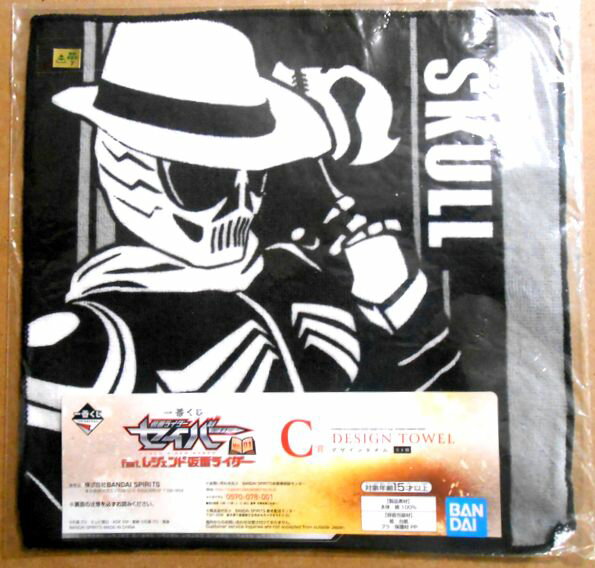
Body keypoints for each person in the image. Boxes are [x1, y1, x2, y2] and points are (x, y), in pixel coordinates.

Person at [21, 18, 462, 539]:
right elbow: (62, 506)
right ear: (123, 165)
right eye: (203, 177)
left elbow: (445, 458)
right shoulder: (90, 341)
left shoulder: (305, 282)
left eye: (253, 176)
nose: (241, 205)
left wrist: (401, 307)